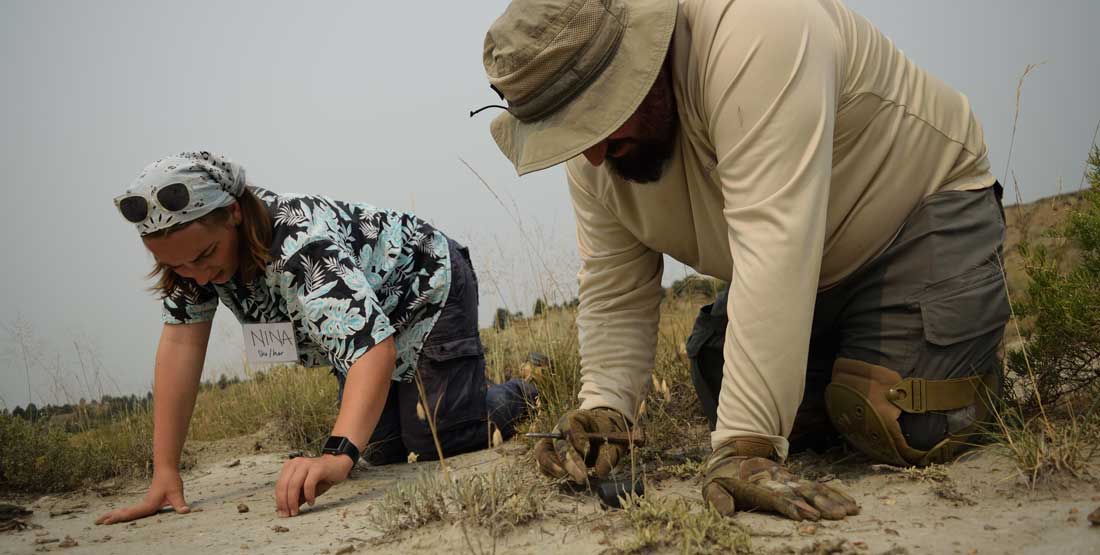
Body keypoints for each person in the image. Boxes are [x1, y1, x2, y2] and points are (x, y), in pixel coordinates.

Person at [478, 0, 1007, 521]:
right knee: (719, 375)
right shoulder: (599, 148)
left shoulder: (758, 22)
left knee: (899, 421)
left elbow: (773, 241)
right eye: (571, 131)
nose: (591, 155)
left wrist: (746, 446)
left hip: (915, 218)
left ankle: (968, 349)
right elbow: (614, 284)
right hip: (805, 271)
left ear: (645, 57)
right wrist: (605, 409)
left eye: (596, 118)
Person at [96, 151, 535, 524]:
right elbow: (181, 347)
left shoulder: (299, 242)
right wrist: (165, 471)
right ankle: (450, 390)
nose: (197, 274)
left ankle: (527, 388)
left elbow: (373, 348)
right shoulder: (192, 263)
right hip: (363, 331)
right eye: (178, 267)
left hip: (424, 290)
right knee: (382, 449)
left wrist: (335, 454)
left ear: (232, 213)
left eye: (205, 256)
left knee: (438, 437)